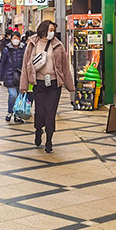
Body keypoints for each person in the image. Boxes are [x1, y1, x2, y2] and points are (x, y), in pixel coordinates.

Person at [19, 21, 74, 153]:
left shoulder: (58, 45)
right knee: (40, 112)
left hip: (54, 85)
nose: (52, 32)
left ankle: (49, 140)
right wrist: (24, 85)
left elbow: (65, 68)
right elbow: (26, 65)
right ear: (43, 30)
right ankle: (38, 130)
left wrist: (71, 87)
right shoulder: (33, 44)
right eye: (50, 29)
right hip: (39, 83)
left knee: (51, 113)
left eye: (53, 30)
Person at [0, 31, 26, 123]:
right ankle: (10, 112)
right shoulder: (7, 50)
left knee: (19, 97)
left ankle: (17, 115)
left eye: (17, 38)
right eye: (14, 38)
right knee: (13, 95)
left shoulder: (24, 49)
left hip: (21, 76)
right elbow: (2, 64)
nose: (16, 40)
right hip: (10, 76)